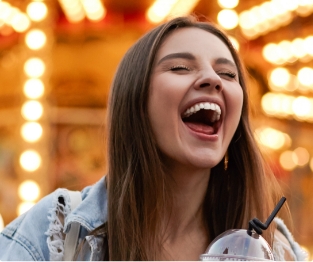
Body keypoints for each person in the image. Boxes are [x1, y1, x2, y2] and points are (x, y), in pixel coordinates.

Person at [0, 16, 307, 261]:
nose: (213, 79)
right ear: (136, 100)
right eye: (180, 67)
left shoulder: (274, 250)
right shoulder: (56, 231)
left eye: (228, 74)